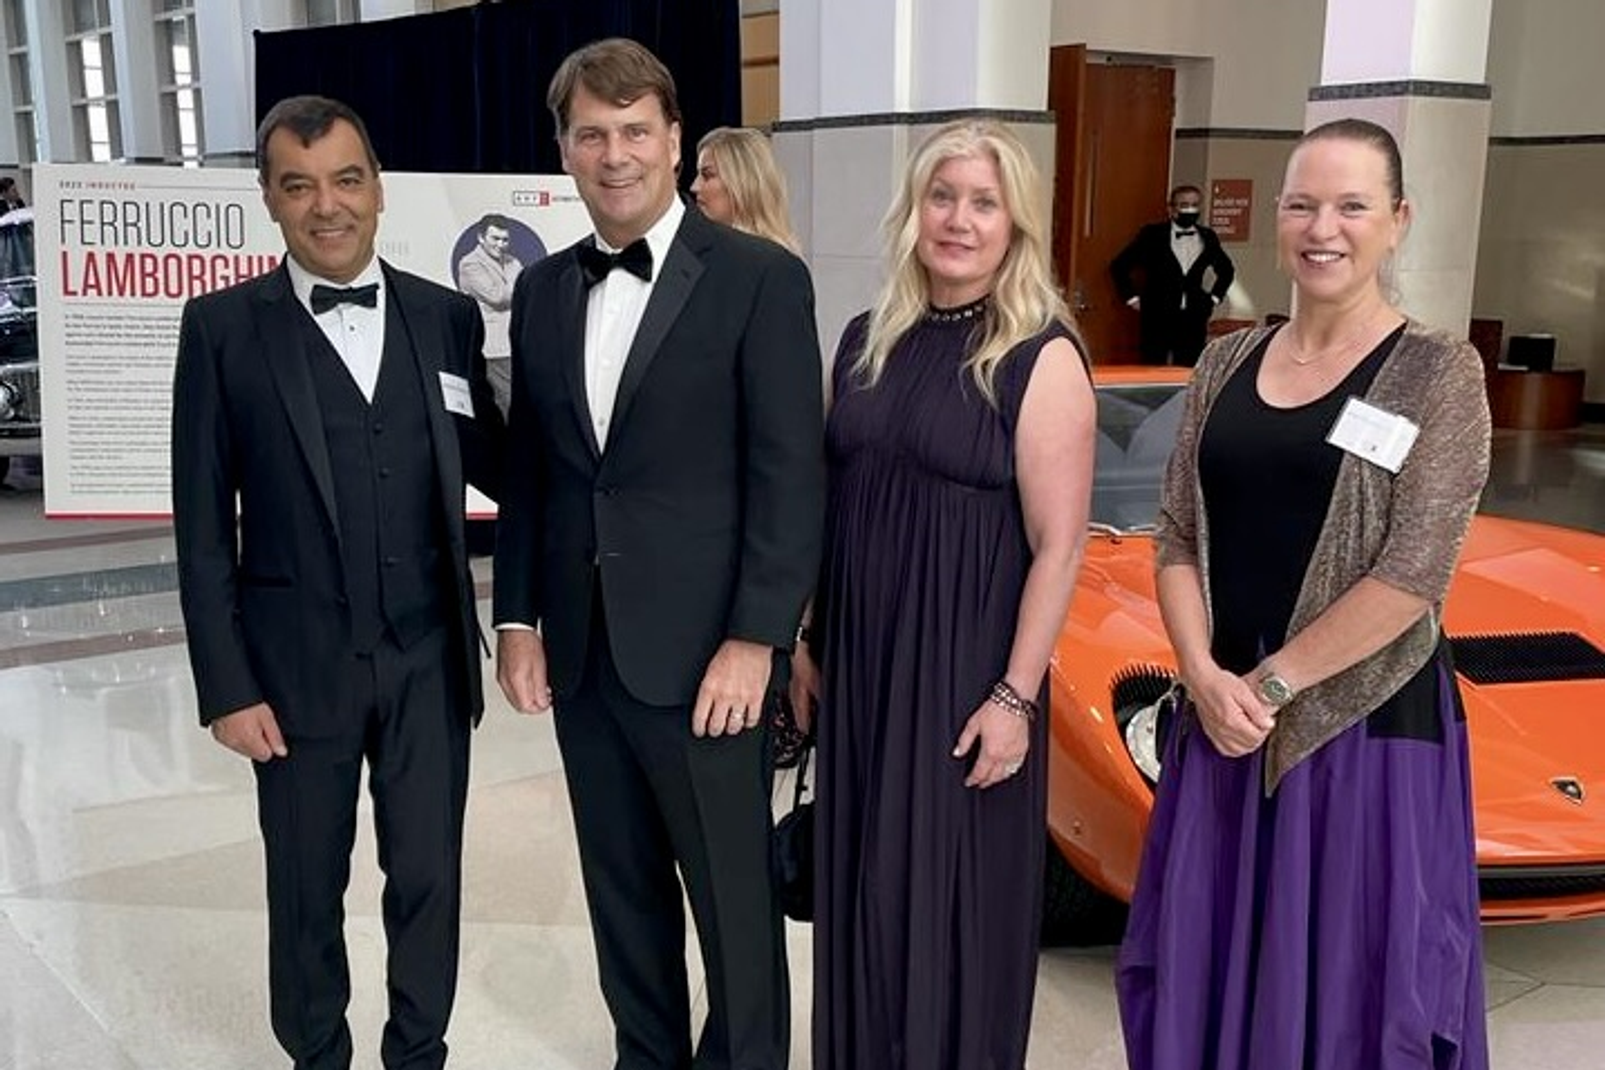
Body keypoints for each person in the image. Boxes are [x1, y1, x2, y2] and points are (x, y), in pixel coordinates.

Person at [1116, 118, 1491, 1070]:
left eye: (1352, 205)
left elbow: (1414, 572)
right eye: (1301, 203)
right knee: (1206, 967)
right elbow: (1178, 535)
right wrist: (1202, 675)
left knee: (1355, 989)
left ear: (1397, 220)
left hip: (1358, 732)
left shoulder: (1438, 373)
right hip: (1222, 720)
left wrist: (1271, 687)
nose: (1323, 227)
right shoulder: (1224, 363)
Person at [493, 38, 824, 1070]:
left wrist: (757, 638)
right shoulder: (543, 292)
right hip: (586, 659)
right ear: (564, 149)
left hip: (708, 662)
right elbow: (536, 473)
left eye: (636, 130)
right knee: (622, 897)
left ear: (676, 141)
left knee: (732, 908)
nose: (616, 153)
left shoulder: (759, 280)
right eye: (592, 133)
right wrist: (516, 620)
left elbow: (788, 476)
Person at [170, 95, 503, 1070]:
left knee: (429, 882)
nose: (328, 205)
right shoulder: (223, 329)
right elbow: (200, 527)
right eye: (300, 185)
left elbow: (510, 467)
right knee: (306, 886)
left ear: (379, 189)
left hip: (430, 660)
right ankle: (318, 1053)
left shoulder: (445, 318)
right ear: (269, 198)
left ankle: (418, 1051)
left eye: (347, 179)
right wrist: (226, 684)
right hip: (293, 671)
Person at [791, 119, 1096, 1069]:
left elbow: (1058, 548)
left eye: (983, 201)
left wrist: (1015, 698)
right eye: (941, 196)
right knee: (863, 896)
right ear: (912, 210)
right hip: (860, 670)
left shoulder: (1040, 357)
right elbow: (829, 499)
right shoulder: (863, 342)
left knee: (947, 900)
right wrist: (807, 640)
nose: (957, 220)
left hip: (965, 680)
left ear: (1017, 225)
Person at [1110, 183, 1235, 366]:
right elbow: (1119, 266)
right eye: (1184, 205)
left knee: (1190, 371)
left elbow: (1226, 270)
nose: (1190, 209)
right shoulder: (1152, 235)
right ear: (1171, 208)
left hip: (1193, 316)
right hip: (1157, 314)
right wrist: (1133, 299)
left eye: (1195, 204)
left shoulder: (1207, 236)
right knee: (1152, 367)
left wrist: (1213, 298)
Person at [691, 126, 801, 253]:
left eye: (708, 175)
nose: (694, 187)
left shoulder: (777, 264)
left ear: (742, 182)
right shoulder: (693, 252)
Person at [456, 212, 524, 414]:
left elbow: (525, 291)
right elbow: (498, 296)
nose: (500, 244)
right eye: (495, 238)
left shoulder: (512, 261)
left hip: (514, 345)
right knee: (507, 406)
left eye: (505, 240)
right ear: (481, 237)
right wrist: (518, 284)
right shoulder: (470, 264)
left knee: (515, 406)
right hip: (494, 348)